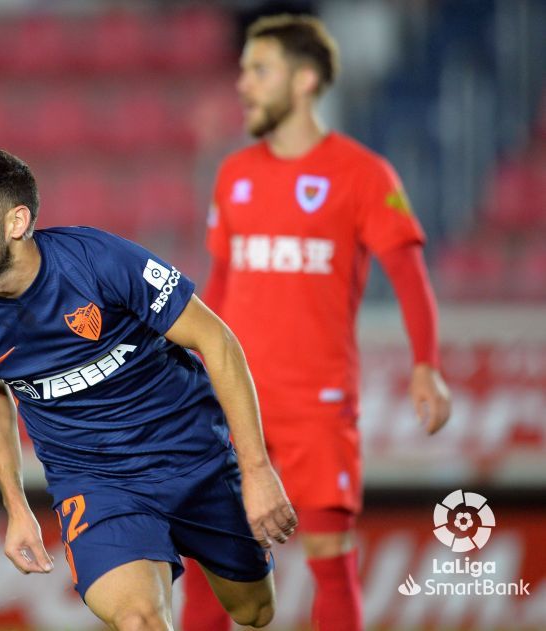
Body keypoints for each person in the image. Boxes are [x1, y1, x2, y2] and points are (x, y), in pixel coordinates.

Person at [0, 147, 297, 630]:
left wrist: (256, 470)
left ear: (15, 222)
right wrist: (16, 506)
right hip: (97, 484)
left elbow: (217, 340)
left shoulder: (101, 262)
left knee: (255, 612)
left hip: (195, 460)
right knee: (139, 620)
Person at [181, 14, 452, 631]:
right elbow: (219, 291)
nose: (243, 84)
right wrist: (189, 369)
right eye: (244, 69)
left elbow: (411, 278)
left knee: (330, 559)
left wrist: (426, 365)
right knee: (210, 558)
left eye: (259, 70)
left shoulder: (363, 174)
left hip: (317, 404)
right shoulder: (234, 175)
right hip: (234, 400)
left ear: (305, 81)